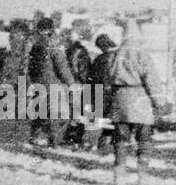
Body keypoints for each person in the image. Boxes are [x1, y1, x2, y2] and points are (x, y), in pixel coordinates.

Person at [106, 20, 162, 184]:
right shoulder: (142, 54)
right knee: (144, 139)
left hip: (119, 98)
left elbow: (108, 77)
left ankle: (119, 174)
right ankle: (142, 174)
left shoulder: (114, 54)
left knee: (120, 139)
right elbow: (152, 81)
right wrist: (159, 102)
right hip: (140, 99)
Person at [26, 17, 75, 146]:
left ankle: (35, 137)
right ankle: (54, 142)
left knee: (39, 112)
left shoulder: (35, 46)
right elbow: (62, 68)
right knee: (58, 115)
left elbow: (30, 68)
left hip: (37, 84)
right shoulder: (53, 46)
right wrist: (71, 83)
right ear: (51, 30)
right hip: (53, 85)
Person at [85, 33, 118, 153]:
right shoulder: (117, 56)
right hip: (113, 92)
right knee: (110, 120)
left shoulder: (100, 59)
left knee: (94, 119)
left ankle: (93, 143)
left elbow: (93, 78)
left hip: (99, 91)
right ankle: (105, 143)